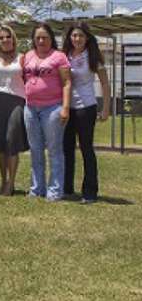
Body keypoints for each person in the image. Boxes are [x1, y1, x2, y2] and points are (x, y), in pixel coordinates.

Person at [22, 23, 72, 202]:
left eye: (45, 37)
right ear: (33, 40)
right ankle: (37, 189)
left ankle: (55, 190)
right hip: (30, 108)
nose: (41, 41)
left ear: (51, 38)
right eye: (38, 38)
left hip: (52, 108)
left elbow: (67, 83)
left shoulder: (59, 57)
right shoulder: (28, 55)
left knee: (54, 150)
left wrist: (65, 107)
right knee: (35, 150)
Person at [62, 22, 110, 204]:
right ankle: (67, 188)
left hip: (86, 107)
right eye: (74, 35)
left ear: (87, 38)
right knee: (66, 149)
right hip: (68, 107)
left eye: (81, 36)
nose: (77, 39)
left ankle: (90, 191)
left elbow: (105, 84)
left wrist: (105, 108)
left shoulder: (93, 57)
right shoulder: (64, 56)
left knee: (86, 149)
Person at [0, 26, 28, 196]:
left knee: (12, 140)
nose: (5, 40)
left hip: (17, 102)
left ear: (13, 39)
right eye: (1, 38)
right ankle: (3, 181)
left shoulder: (22, 58)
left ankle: (11, 183)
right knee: (2, 144)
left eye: (8, 37)